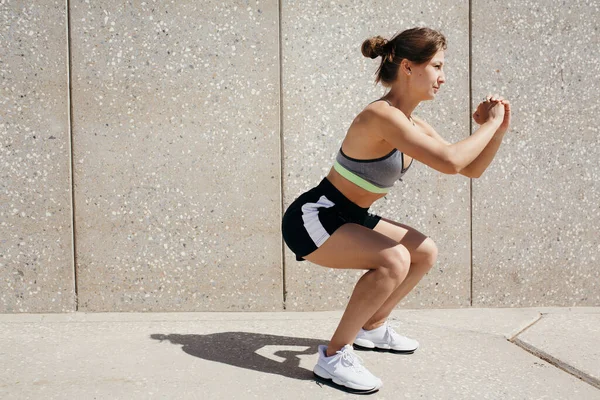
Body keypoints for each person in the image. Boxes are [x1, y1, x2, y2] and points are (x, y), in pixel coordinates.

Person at [281, 27, 511, 394]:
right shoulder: (381, 116)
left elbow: (470, 168)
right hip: (315, 217)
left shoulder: (413, 122)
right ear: (407, 67)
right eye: (436, 66)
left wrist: (494, 130)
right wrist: (492, 122)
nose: (442, 76)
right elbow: (452, 161)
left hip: (350, 216)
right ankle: (334, 355)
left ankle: (372, 327)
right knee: (394, 260)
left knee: (423, 253)